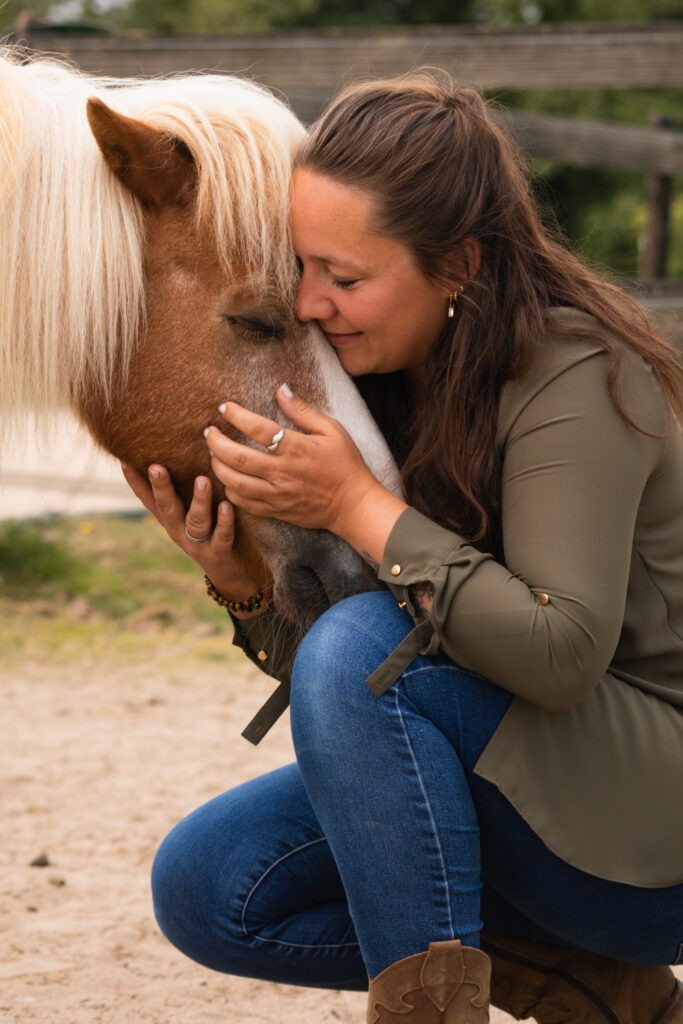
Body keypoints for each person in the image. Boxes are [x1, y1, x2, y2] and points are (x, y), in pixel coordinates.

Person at [123, 71, 683, 1023]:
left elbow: (557, 654)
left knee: (358, 649)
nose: (310, 304)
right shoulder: (387, 378)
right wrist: (238, 583)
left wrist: (356, 504)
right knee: (211, 884)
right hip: (530, 789)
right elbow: (357, 705)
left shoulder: (578, 375)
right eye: (301, 268)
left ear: (457, 266)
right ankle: (586, 985)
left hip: (651, 836)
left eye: (344, 279)